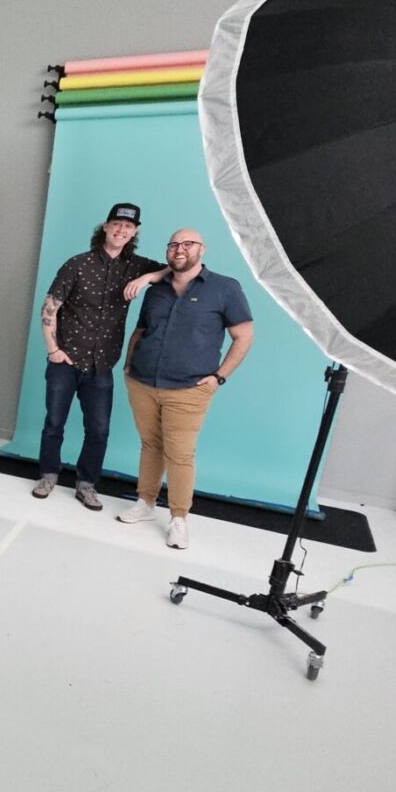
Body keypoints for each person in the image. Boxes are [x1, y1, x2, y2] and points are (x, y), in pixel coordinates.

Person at [117, 228, 253, 550]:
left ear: (202, 249)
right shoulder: (157, 290)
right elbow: (141, 330)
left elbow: (244, 336)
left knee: (179, 454)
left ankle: (179, 518)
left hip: (189, 389)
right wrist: (128, 364)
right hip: (142, 382)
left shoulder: (225, 288)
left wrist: (219, 377)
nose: (180, 249)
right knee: (151, 444)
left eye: (188, 244)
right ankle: (145, 502)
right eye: (174, 244)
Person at [30, 201, 169, 510]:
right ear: (106, 227)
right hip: (65, 361)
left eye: (128, 226)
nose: (122, 230)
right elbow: (50, 306)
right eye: (117, 224)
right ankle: (48, 475)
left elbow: (173, 269)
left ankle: (86, 484)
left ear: (134, 232)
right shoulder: (77, 264)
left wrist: (145, 279)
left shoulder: (135, 266)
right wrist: (53, 350)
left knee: (99, 429)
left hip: (102, 366)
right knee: (54, 422)